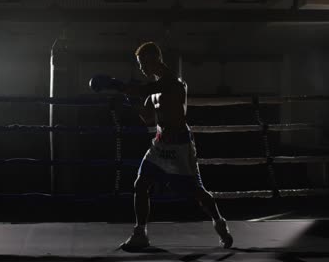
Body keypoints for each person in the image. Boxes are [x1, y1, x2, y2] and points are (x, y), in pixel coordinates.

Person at [90, 41, 233, 250]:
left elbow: (145, 90)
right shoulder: (154, 88)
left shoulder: (173, 82)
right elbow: (148, 118)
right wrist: (130, 100)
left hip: (180, 147)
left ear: (154, 59)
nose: (140, 68)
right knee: (140, 184)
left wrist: (116, 84)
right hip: (159, 144)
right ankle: (140, 234)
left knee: (198, 193)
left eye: (142, 63)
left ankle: (220, 224)